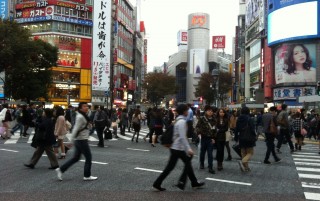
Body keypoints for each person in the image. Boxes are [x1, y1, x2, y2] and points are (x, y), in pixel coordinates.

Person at [153, 104, 205, 191]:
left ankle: (193, 182)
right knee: (180, 166)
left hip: (175, 148)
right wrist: (188, 149)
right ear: (184, 111)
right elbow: (182, 137)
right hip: (177, 148)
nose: (188, 112)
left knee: (185, 165)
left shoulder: (178, 120)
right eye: (187, 110)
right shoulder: (182, 122)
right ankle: (158, 183)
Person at [55, 102, 98, 181]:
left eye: (87, 106)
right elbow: (75, 128)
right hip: (81, 140)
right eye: (84, 106)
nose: (86, 107)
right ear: (80, 108)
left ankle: (61, 169)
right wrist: (71, 140)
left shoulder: (84, 115)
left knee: (76, 158)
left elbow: (86, 125)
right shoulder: (80, 117)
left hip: (80, 139)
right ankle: (87, 176)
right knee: (88, 158)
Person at [195, 105, 217, 174]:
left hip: (210, 139)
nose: (210, 112)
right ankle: (202, 163)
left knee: (210, 154)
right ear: (206, 111)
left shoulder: (214, 120)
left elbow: (215, 130)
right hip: (203, 138)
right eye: (209, 111)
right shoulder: (202, 119)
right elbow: (197, 127)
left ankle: (210, 167)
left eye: (211, 111)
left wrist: (214, 138)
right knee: (202, 152)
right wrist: (199, 133)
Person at [234, 107, 256, 172]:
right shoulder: (250, 119)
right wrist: (254, 137)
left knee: (243, 152)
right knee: (250, 152)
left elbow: (236, 129)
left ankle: (246, 167)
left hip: (241, 137)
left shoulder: (238, 119)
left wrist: (236, 138)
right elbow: (252, 129)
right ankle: (243, 161)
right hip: (249, 138)